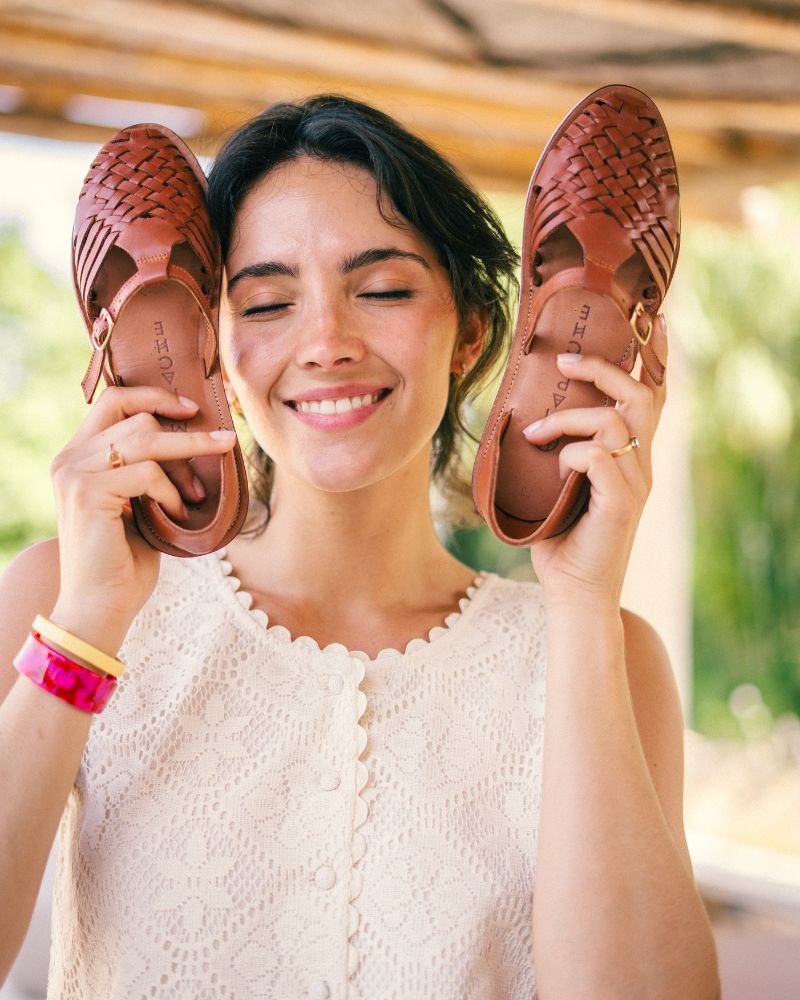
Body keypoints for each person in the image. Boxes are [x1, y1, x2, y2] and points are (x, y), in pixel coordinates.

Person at [0, 95, 719, 998]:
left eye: (381, 290)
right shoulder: (59, 598)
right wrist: (88, 622)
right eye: (265, 302)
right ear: (214, 354)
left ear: (474, 336)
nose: (326, 343)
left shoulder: (609, 654)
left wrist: (581, 605)